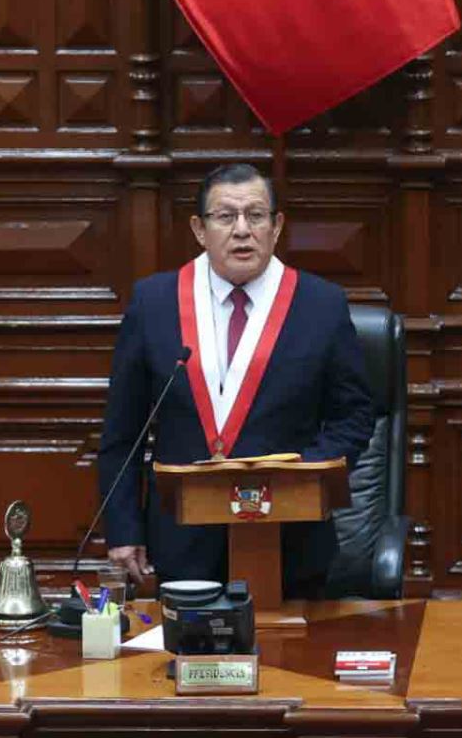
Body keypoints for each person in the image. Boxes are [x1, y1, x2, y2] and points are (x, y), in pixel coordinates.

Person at [96, 163, 376, 593]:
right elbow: (122, 432)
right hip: (181, 543)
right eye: (226, 217)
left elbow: (354, 416)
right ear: (199, 229)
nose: (242, 230)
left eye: (256, 215)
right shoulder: (154, 303)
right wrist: (122, 528)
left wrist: (302, 477)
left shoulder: (322, 305)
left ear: (277, 226)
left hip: (290, 540)